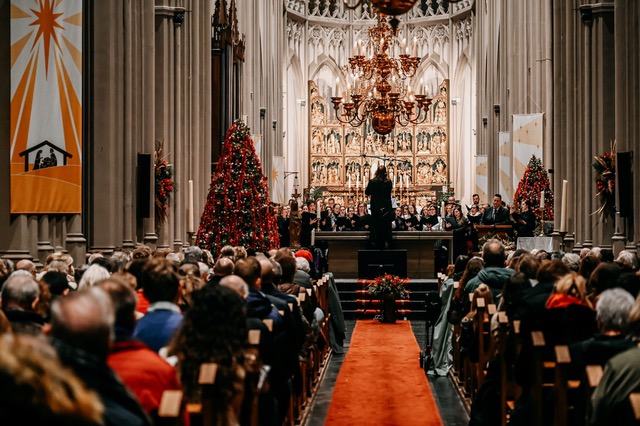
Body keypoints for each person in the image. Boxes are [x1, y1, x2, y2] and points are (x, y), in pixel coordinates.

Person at [365, 165, 393, 249]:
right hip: (386, 208)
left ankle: (374, 241)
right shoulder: (388, 182)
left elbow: (367, 192)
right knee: (386, 225)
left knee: (375, 225)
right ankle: (386, 241)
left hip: (376, 207)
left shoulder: (372, 182)